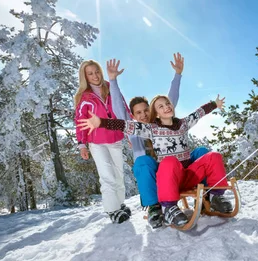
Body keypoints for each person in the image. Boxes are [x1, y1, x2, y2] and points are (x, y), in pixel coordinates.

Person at [78, 94, 233, 227]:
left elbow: (198, 113)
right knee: (169, 162)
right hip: (171, 178)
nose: (166, 107)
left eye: (167, 104)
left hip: (189, 175)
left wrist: (214, 104)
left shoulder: (183, 124)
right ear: (156, 114)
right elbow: (126, 125)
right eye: (160, 106)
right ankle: (168, 208)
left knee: (213, 156)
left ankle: (215, 196)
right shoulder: (151, 129)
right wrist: (101, 122)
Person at [106, 54, 210, 228]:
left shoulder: (159, 124)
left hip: (178, 168)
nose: (143, 115)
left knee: (201, 152)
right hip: (158, 175)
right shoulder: (135, 132)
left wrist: (177, 75)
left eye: (146, 110)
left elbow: (171, 100)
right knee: (142, 162)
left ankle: (209, 196)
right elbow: (118, 110)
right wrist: (113, 81)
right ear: (133, 116)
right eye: (138, 113)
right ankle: (154, 207)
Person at [74, 60, 132, 224]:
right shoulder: (84, 97)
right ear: (85, 77)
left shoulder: (110, 88)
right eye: (90, 73)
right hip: (96, 141)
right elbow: (80, 121)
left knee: (118, 174)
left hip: (115, 138)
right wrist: (82, 144)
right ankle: (112, 210)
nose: (95, 76)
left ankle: (119, 204)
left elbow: (124, 110)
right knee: (107, 175)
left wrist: (130, 135)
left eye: (96, 71)